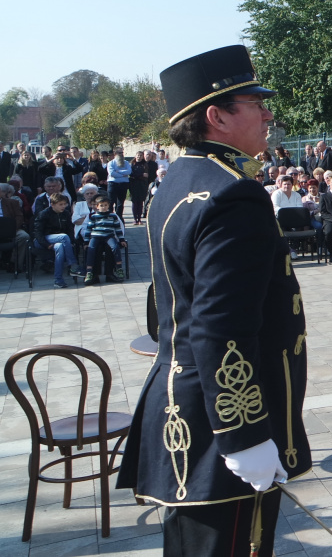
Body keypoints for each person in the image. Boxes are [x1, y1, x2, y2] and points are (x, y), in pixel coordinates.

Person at [116, 45, 310, 556]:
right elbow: (220, 325)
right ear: (216, 116)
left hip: (186, 405)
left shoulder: (179, 179)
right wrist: (244, 434)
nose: (267, 114)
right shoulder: (233, 194)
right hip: (218, 425)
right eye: (255, 103)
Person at [33, 192, 80, 287]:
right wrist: (47, 245)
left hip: (60, 241)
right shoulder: (44, 214)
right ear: (52, 204)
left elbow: (70, 230)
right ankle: (73, 265)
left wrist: (71, 242)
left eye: (65, 204)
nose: (63, 206)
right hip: (43, 240)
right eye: (60, 204)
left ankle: (58, 280)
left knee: (60, 247)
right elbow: (37, 233)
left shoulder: (66, 214)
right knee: (64, 236)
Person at [82, 192, 126, 284]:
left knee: (113, 247)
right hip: (96, 237)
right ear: (96, 206)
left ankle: (112, 272)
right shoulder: (92, 216)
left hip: (109, 237)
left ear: (109, 205)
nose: (103, 207)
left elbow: (119, 228)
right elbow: (87, 229)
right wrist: (86, 242)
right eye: (101, 205)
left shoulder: (113, 216)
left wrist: (121, 239)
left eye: (105, 205)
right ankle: (91, 273)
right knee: (91, 248)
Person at [0, 182, 30, 273]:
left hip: (11, 229)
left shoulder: (12, 202)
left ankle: (15, 264)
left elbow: (19, 217)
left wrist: (12, 228)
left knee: (24, 236)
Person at [106, 144, 132, 219]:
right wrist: (123, 175)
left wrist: (119, 172)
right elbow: (112, 173)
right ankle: (110, 217)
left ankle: (119, 217)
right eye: (120, 153)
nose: (121, 154)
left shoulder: (126, 163)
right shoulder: (111, 163)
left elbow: (129, 171)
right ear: (115, 153)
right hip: (113, 184)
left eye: (122, 152)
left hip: (123, 184)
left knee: (120, 203)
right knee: (111, 202)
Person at [128, 151, 151, 226]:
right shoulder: (132, 164)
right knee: (134, 202)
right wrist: (141, 174)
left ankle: (139, 219)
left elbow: (146, 175)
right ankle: (135, 219)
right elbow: (131, 174)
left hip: (142, 185)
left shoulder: (145, 164)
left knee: (140, 202)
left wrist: (139, 175)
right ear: (135, 156)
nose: (139, 157)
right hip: (133, 184)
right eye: (138, 155)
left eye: (141, 155)